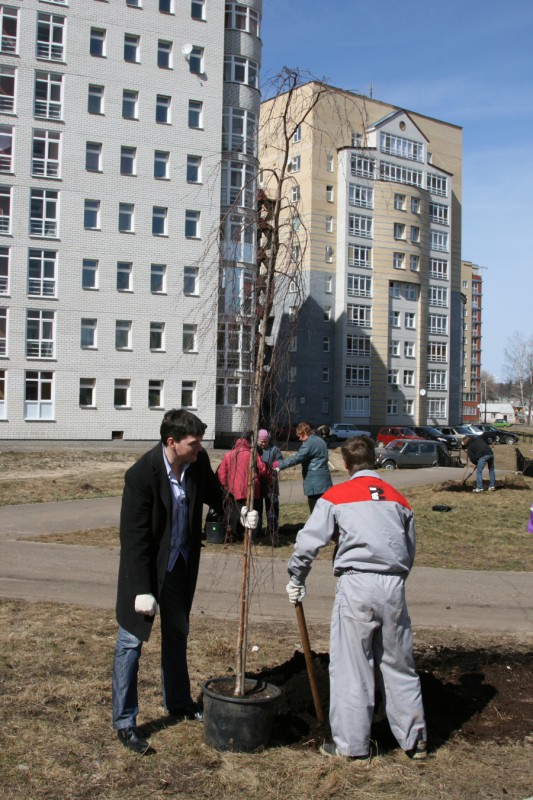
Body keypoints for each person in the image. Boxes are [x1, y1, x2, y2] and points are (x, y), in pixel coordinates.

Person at [112, 409, 258, 754]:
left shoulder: (195, 462)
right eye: (194, 444)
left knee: (177, 634)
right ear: (171, 442)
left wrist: (240, 513)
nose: (200, 448)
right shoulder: (141, 475)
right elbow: (133, 539)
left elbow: (215, 493)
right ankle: (125, 722)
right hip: (145, 573)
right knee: (131, 643)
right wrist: (142, 590)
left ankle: (178, 701)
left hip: (180, 565)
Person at [285, 435, 427, 762]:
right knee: (399, 665)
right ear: (375, 459)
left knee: (353, 666)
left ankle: (351, 746)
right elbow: (410, 549)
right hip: (393, 586)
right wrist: (395, 579)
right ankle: (415, 740)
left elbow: (309, 540)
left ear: (346, 464)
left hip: (356, 585)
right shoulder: (398, 499)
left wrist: (296, 576)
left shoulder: (337, 496)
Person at [217, 432, 269, 540]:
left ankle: (237, 534)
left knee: (237, 512)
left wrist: (227, 487)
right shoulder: (252, 454)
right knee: (254, 512)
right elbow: (263, 469)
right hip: (253, 488)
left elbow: (222, 474)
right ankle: (253, 535)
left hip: (235, 490)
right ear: (248, 442)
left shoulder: (228, 455)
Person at [276, 422, 332, 512]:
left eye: (300, 436)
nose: (299, 439)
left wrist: (279, 465)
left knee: (315, 511)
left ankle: (316, 526)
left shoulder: (308, 444)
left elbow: (297, 457)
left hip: (314, 483)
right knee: (325, 510)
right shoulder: (320, 440)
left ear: (305, 433)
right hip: (325, 480)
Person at [257, 428, 282, 536]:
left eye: (265, 441)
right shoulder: (254, 450)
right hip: (258, 483)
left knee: (272, 507)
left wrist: (275, 466)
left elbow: (280, 461)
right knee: (257, 508)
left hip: (271, 483)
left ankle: (272, 530)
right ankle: (257, 530)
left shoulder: (274, 450)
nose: (263, 443)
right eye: (261, 441)